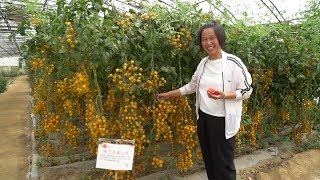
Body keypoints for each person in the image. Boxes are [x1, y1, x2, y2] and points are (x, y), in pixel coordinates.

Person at [156, 21, 253, 180]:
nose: (208, 43)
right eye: (204, 39)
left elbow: (247, 90)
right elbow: (192, 86)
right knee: (209, 160)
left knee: (223, 164)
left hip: (222, 122)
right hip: (204, 118)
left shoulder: (232, 62)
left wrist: (225, 95)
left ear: (220, 38)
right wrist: (169, 94)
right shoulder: (203, 63)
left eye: (211, 38)